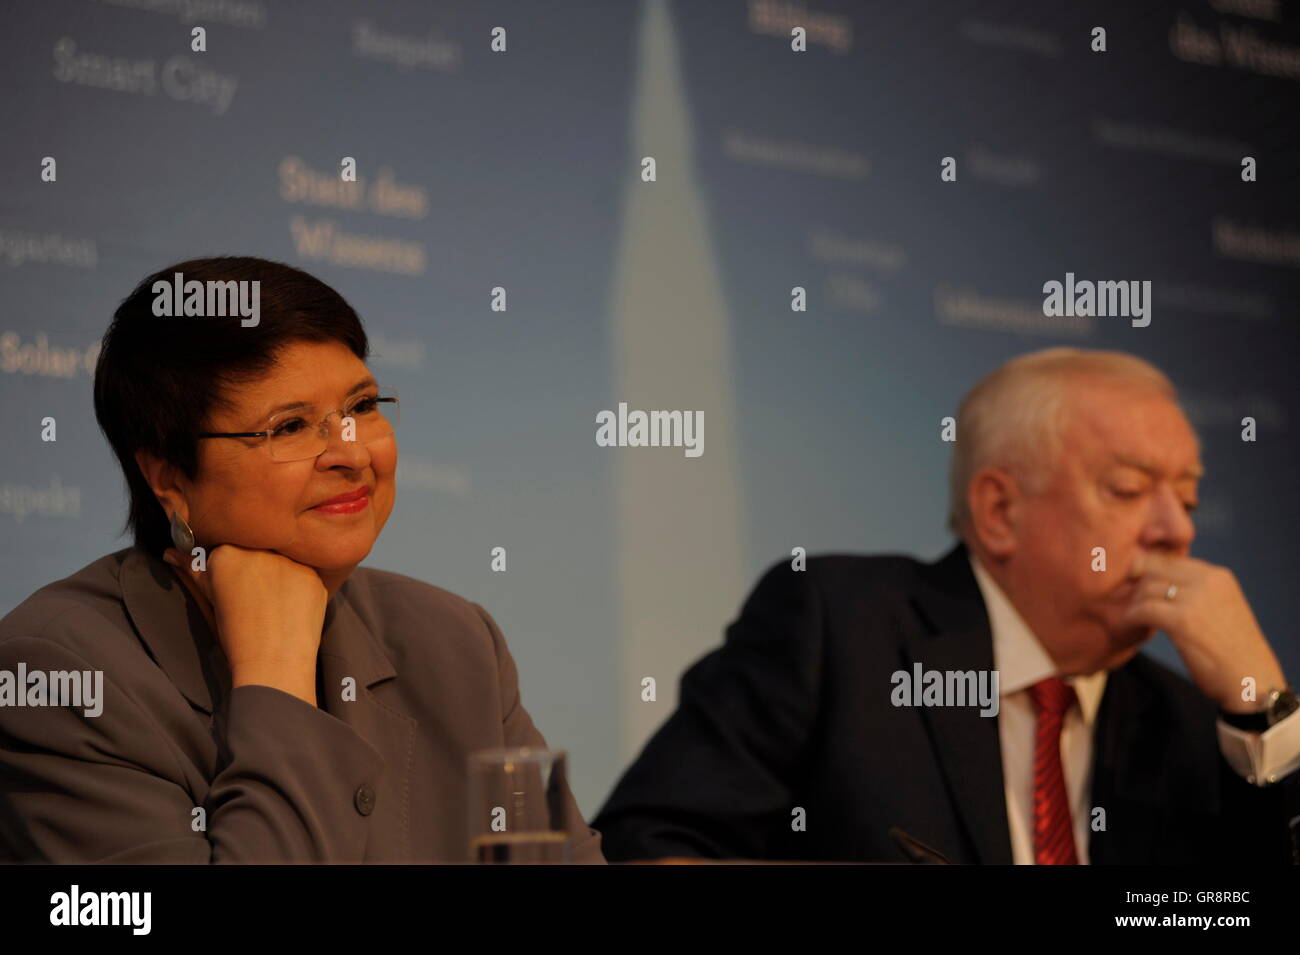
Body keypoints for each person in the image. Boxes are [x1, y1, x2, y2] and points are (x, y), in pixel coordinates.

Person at [0, 256, 604, 864]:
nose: (352, 454)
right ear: (169, 477)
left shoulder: (458, 641)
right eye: (290, 427)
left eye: (362, 407)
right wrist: (276, 677)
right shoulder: (59, 678)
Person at [592, 348, 1300, 864]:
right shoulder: (841, 629)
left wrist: (1265, 705)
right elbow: (646, 843)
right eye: (1126, 488)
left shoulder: (1190, 723)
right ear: (999, 510)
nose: (1175, 530)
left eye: (1188, 497)